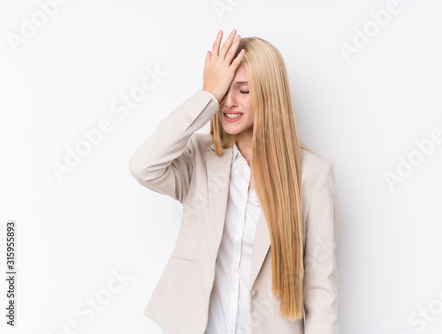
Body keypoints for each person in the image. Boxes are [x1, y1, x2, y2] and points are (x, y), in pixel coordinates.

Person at [129, 29, 341, 334]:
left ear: (269, 93)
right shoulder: (198, 158)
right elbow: (142, 167)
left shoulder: (313, 175)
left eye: (243, 90)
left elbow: (321, 289)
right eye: (224, 89)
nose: (229, 102)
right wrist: (207, 96)